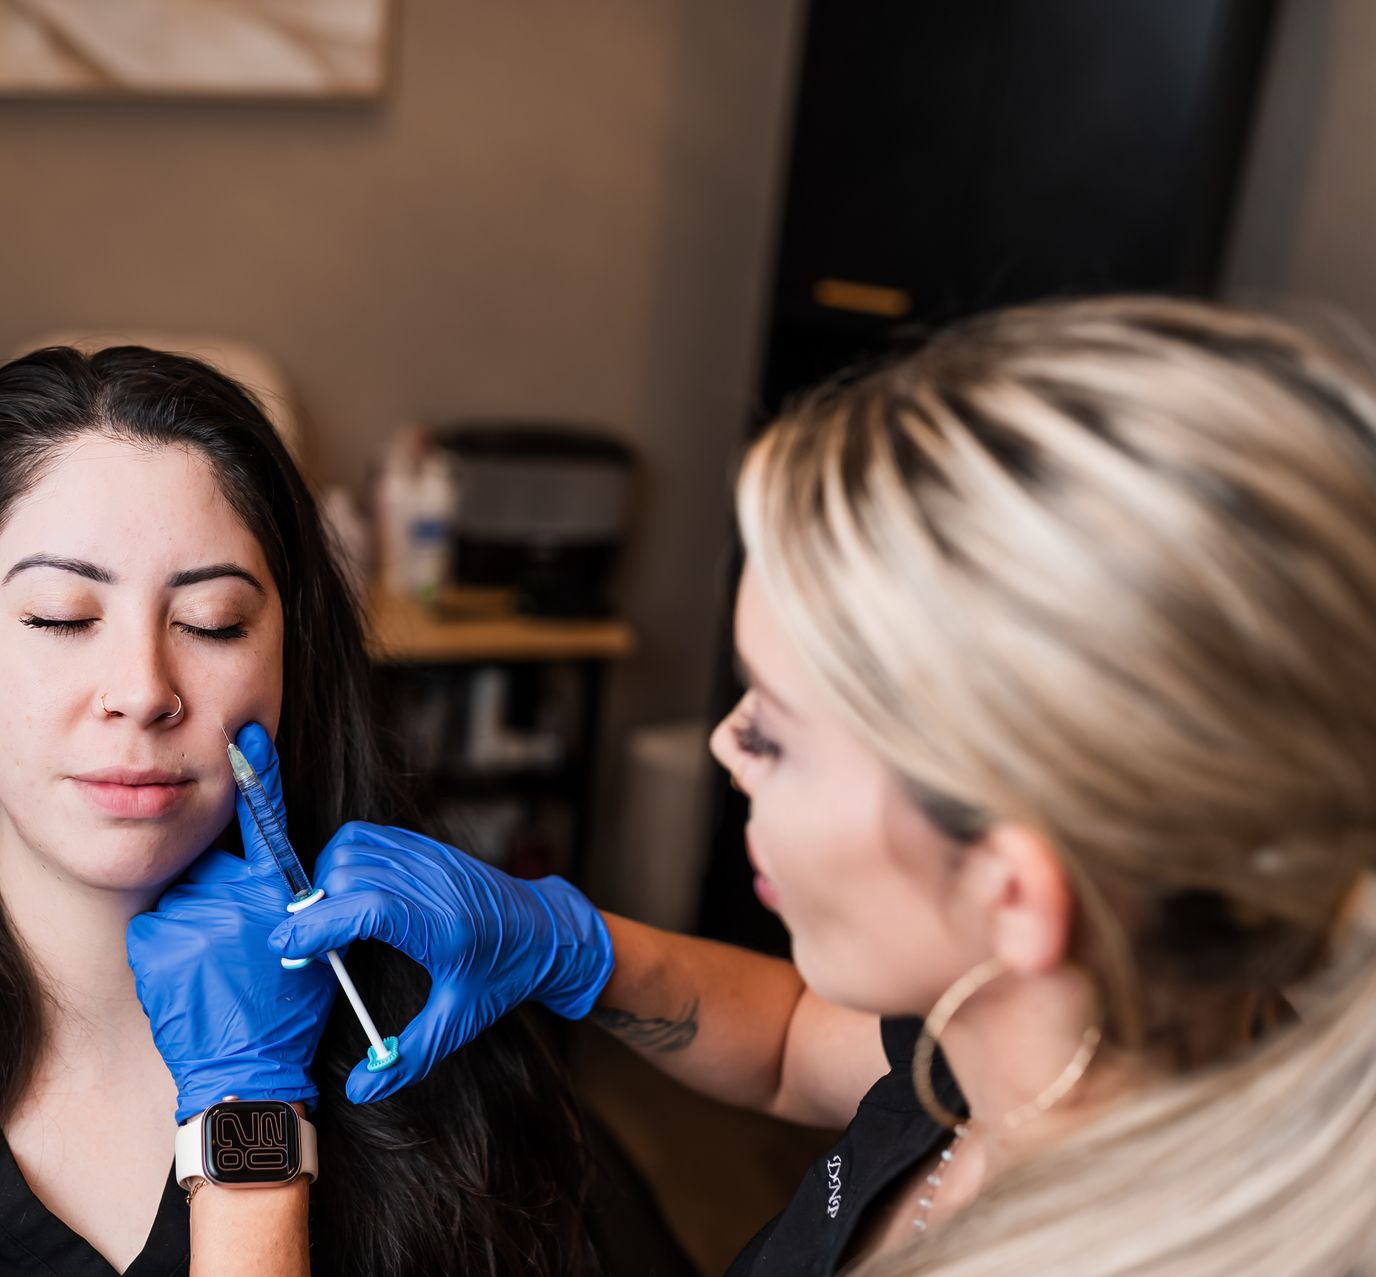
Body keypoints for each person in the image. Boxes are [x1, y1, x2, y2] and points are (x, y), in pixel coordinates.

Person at [209, 297, 1376, 1275]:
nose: (725, 744)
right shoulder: (1065, 1038)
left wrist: (243, 1126)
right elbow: (795, 1042)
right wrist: (571, 943)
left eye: (775, 728)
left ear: (1015, 889)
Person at [0, 346, 691, 1277]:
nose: (142, 685)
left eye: (214, 622)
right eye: (60, 614)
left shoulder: (438, 1084)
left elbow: (832, 1059)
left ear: (286, 665)